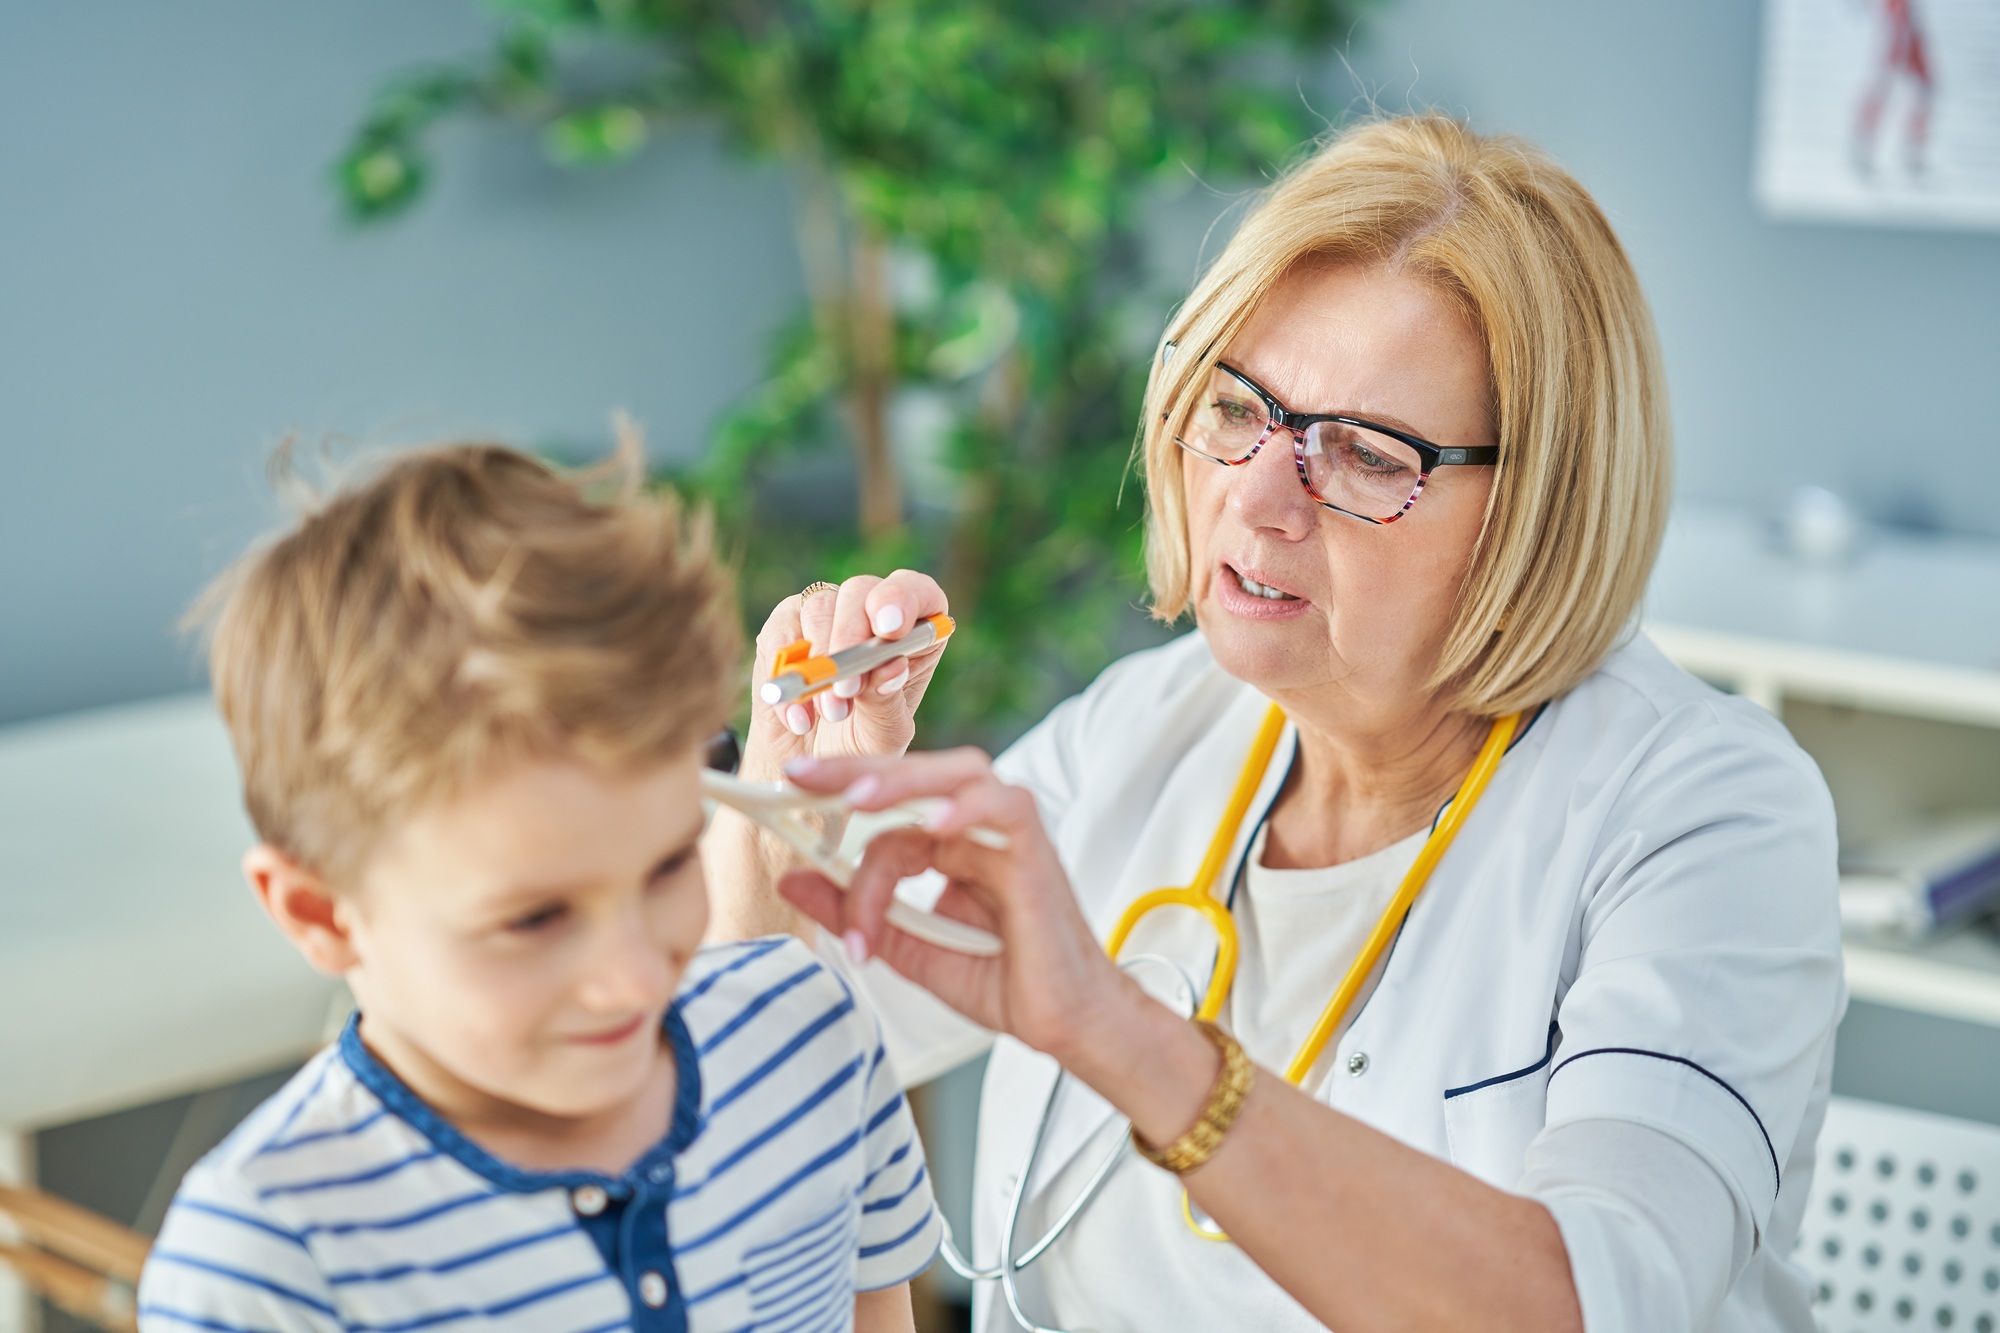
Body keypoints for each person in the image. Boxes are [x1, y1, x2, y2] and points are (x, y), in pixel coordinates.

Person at [704, 115, 1845, 1332]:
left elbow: (1587, 1301)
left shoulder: (1707, 816)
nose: (1254, 497)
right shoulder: (1149, 726)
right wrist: (779, 842)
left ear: (1537, 511)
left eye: (1361, 454)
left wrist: (1123, 1038)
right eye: (1240, 408)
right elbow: (775, 1066)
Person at [138, 440, 940, 1333]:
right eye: (535, 918)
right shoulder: (265, 1258)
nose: (636, 976)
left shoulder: (810, 1037)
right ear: (322, 912)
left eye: (670, 863)